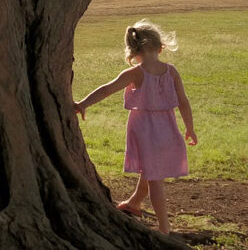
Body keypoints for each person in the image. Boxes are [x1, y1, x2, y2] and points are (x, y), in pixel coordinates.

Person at [73, 20, 198, 234]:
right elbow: (184, 101)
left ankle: (164, 228)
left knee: (154, 177)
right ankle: (134, 202)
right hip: (168, 128)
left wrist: (82, 104)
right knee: (151, 169)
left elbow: (106, 90)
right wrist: (190, 128)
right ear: (160, 47)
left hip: (146, 131)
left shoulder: (134, 73)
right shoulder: (171, 71)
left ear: (133, 51)